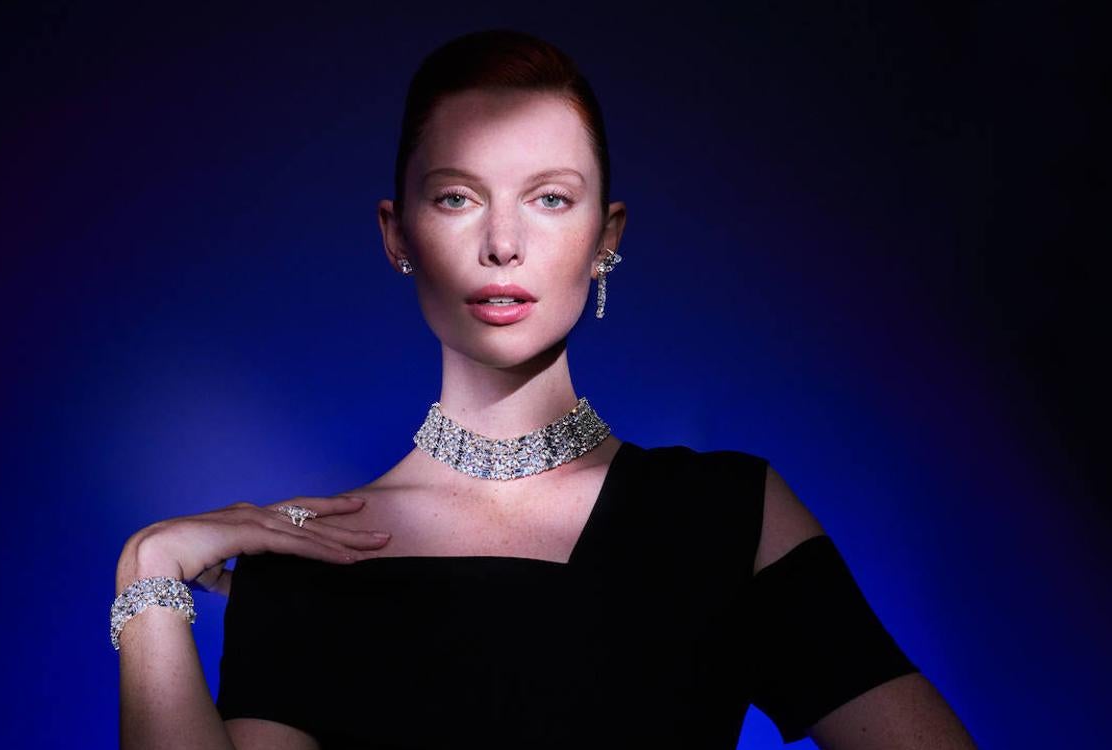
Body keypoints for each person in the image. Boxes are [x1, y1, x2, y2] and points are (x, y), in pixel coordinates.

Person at [112, 28, 980, 750]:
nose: (503, 244)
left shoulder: (722, 514)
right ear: (396, 233)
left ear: (606, 237)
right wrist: (147, 575)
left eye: (550, 199)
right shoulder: (311, 560)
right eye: (456, 198)